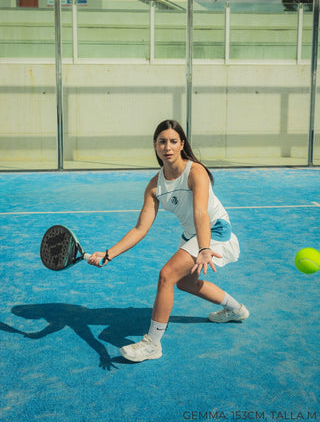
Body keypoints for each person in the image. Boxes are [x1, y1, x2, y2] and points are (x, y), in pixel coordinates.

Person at [88, 119, 249, 362]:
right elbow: (140, 228)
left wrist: (204, 247)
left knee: (167, 274)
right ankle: (236, 310)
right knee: (185, 283)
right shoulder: (155, 186)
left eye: (173, 141)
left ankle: (152, 343)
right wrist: (108, 253)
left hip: (213, 230)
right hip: (192, 234)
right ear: (155, 146)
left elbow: (200, 213)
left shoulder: (195, 172)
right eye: (162, 142)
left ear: (182, 144)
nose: (168, 147)